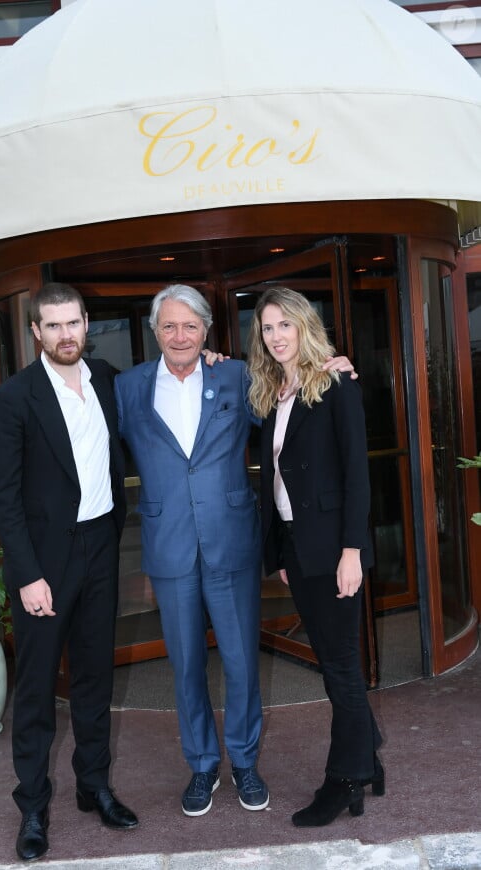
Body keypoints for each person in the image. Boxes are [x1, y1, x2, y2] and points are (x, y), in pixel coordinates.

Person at [114, 283, 353, 818]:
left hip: (232, 544)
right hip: (169, 548)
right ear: (155, 331)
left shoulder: (237, 376)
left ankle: (244, 762)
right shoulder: (127, 389)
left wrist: (332, 368)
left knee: (243, 661)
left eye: (191, 326)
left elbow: (296, 407)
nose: (180, 335)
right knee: (186, 665)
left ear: (207, 332)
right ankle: (202, 766)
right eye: (169, 325)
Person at [0, 282, 138, 863]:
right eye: (53, 326)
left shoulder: (106, 379)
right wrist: (26, 574)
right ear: (35, 333)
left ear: (86, 323)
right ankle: (32, 805)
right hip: (44, 562)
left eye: (72, 323)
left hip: (100, 545)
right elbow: (2, 498)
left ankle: (94, 787)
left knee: (96, 676)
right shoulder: (12, 399)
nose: (65, 334)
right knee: (38, 688)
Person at [247, 285, 384, 828]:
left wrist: (353, 550)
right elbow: (280, 482)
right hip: (298, 548)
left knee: (341, 670)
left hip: (334, 550)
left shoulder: (336, 382)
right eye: (267, 328)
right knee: (333, 664)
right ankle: (368, 754)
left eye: (285, 324)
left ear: (304, 325)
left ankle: (346, 779)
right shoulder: (273, 392)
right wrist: (283, 548)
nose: (276, 336)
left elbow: (356, 474)